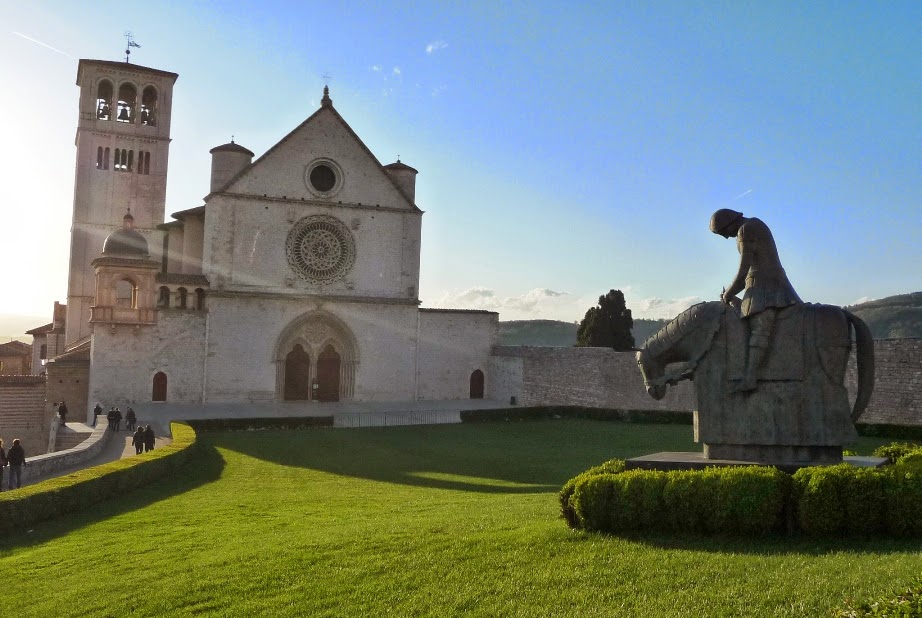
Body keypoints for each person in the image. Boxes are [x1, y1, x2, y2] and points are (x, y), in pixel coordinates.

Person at [710, 209, 803, 392]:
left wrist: (729, 293)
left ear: (729, 223)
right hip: (758, 284)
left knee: (760, 327)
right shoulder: (750, 226)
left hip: (767, 286)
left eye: (723, 232)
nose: (726, 238)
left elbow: (744, 269)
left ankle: (751, 377)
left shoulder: (747, 229)